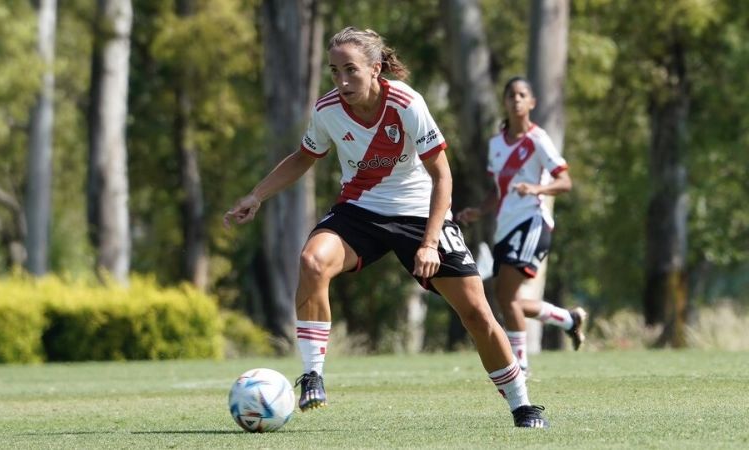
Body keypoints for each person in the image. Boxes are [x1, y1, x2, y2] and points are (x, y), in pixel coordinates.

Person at [223, 27, 548, 428]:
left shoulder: (406, 102)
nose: (342, 81)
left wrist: (429, 244)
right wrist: (256, 196)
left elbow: (442, 177)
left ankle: (523, 405)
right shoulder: (326, 110)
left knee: (478, 314)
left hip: (419, 213)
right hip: (359, 211)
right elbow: (303, 157)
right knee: (311, 261)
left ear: (376, 69)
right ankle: (312, 375)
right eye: (334, 71)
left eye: (351, 70)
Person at [455, 76, 587, 377]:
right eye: (511, 94)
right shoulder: (496, 144)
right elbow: (497, 190)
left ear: (532, 103)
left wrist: (537, 189)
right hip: (505, 226)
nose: (516, 99)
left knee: (505, 296)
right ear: (504, 101)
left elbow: (564, 181)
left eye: (522, 94)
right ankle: (568, 319)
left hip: (532, 222)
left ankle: (520, 365)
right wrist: (479, 210)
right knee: (507, 300)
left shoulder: (538, 139)